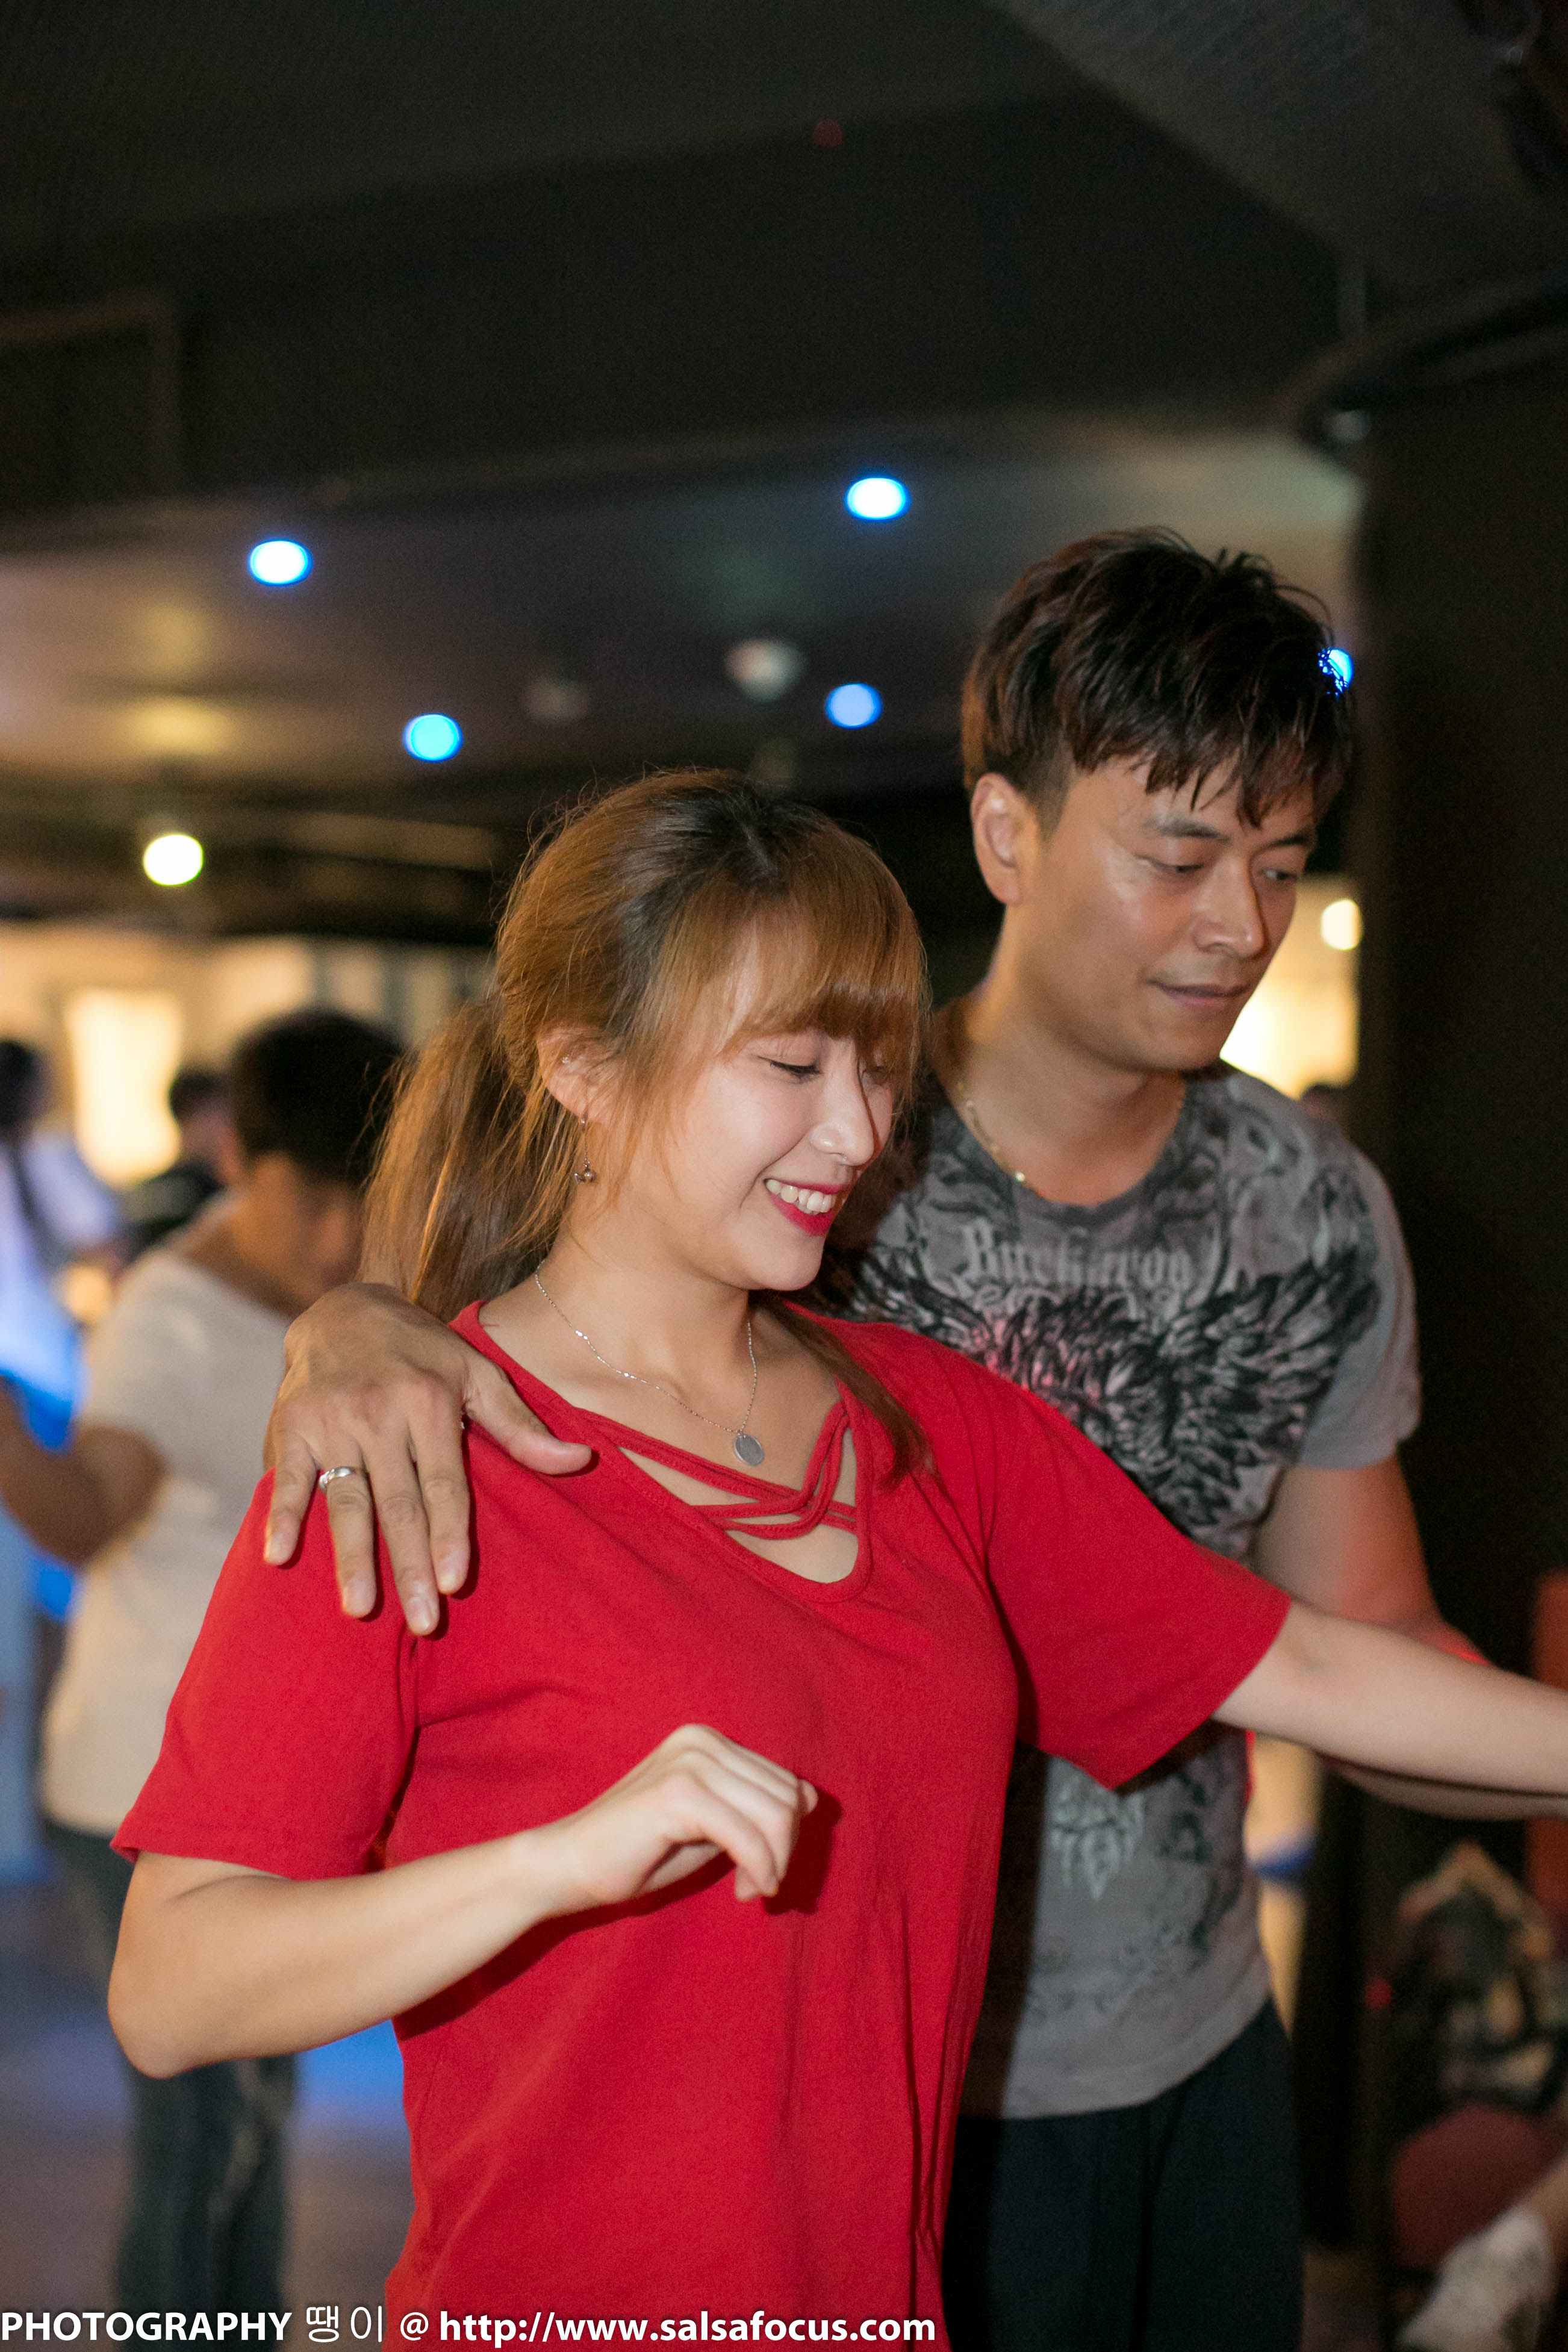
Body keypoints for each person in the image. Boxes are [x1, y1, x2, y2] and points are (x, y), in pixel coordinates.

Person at [106, 775, 1568, 2339]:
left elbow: (1310, 1661)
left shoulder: (928, 1425)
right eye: (793, 1067)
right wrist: (555, 1863)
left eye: (875, 1068)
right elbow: (173, 1985)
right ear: (582, 1065)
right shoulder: (411, 1452)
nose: (860, 1131)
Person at [0, 1009, 402, 2314]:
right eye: (313, 1200)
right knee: (205, 2135)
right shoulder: (166, 1316)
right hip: (139, 1783)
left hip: (262, 1781)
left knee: (254, 2127)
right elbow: (86, 1518)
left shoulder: (365, 1300)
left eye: (362, 1200)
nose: (338, 1237)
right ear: (240, 1158)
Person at [0, 1038, 120, 1873]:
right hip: (40, 1392)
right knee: (54, 1600)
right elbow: (106, 1245)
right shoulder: (46, 1158)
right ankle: (35, 1815)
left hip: (32, 1392)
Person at [120, 1067, 239, 1262]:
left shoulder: (143, 1191)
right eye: (221, 1114)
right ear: (200, 1115)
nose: (228, 1126)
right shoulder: (216, 1193)